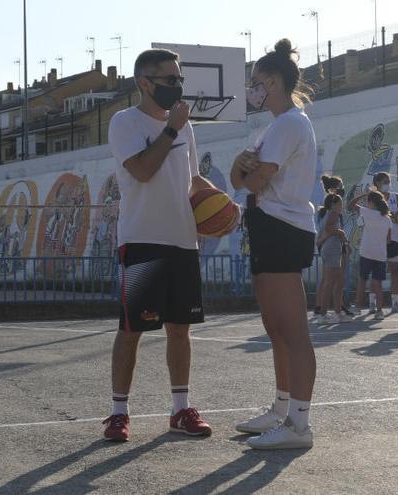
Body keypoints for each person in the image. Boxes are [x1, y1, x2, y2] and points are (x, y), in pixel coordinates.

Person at [103, 48, 214, 442]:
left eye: (180, 79)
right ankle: (119, 413)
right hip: (143, 239)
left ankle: (180, 408)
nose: (178, 87)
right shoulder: (124, 123)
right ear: (145, 83)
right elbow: (144, 171)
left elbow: (193, 180)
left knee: (180, 330)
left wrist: (222, 205)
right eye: (171, 80)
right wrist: (171, 129)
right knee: (132, 329)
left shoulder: (185, 127)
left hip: (183, 240)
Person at [230, 39, 317, 449]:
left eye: (257, 82)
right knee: (275, 328)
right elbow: (238, 177)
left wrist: (244, 173)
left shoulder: (290, 124)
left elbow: (255, 179)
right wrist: (240, 170)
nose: (252, 89)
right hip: (268, 225)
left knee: (294, 330)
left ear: (276, 81)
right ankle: (281, 410)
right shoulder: (272, 126)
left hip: (284, 227)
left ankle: (299, 426)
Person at [349, 190, 393, 320]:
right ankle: (379, 311)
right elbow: (389, 240)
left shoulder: (366, 212)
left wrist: (363, 194)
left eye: (368, 201)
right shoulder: (387, 218)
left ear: (372, 202)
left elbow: (351, 204)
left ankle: (357, 307)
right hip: (380, 254)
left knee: (362, 280)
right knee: (377, 284)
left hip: (366, 252)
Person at [373, 172, 398, 314]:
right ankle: (373, 302)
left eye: (389, 181)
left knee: (394, 270)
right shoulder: (373, 198)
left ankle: (395, 302)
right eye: (384, 182)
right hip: (379, 239)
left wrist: (397, 218)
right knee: (377, 273)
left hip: (395, 238)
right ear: (377, 184)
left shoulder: (396, 197)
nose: (387, 184)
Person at [315, 191, 351, 324]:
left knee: (339, 282)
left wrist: (344, 240)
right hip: (331, 250)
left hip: (332, 250)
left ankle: (337, 313)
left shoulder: (330, 214)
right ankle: (323, 315)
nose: (342, 205)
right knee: (329, 283)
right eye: (340, 203)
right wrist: (340, 232)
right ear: (334, 204)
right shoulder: (333, 214)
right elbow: (329, 228)